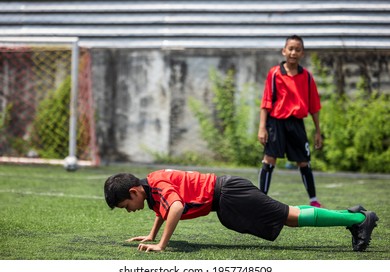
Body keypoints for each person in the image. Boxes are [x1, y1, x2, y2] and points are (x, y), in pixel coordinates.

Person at [103, 169, 378, 252]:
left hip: (231, 194)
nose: (129, 211)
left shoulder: (157, 184)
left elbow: (174, 207)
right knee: (290, 215)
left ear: (134, 192)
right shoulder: (150, 186)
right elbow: (161, 209)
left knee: (290, 217)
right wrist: (151, 235)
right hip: (227, 199)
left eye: (126, 206)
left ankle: (359, 218)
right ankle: (351, 215)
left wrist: (162, 245)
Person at [258, 34, 323, 207]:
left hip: (296, 124)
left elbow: (314, 106)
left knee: (304, 161)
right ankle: (260, 200)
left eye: (298, 49)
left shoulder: (307, 77)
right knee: (269, 159)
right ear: (284, 51)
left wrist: (318, 131)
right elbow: (266, 102)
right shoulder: (274, 74)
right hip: (276, 122)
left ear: (302, 53)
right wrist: (262, 127)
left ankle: (313, 200)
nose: (293, 52)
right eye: (290, 49)